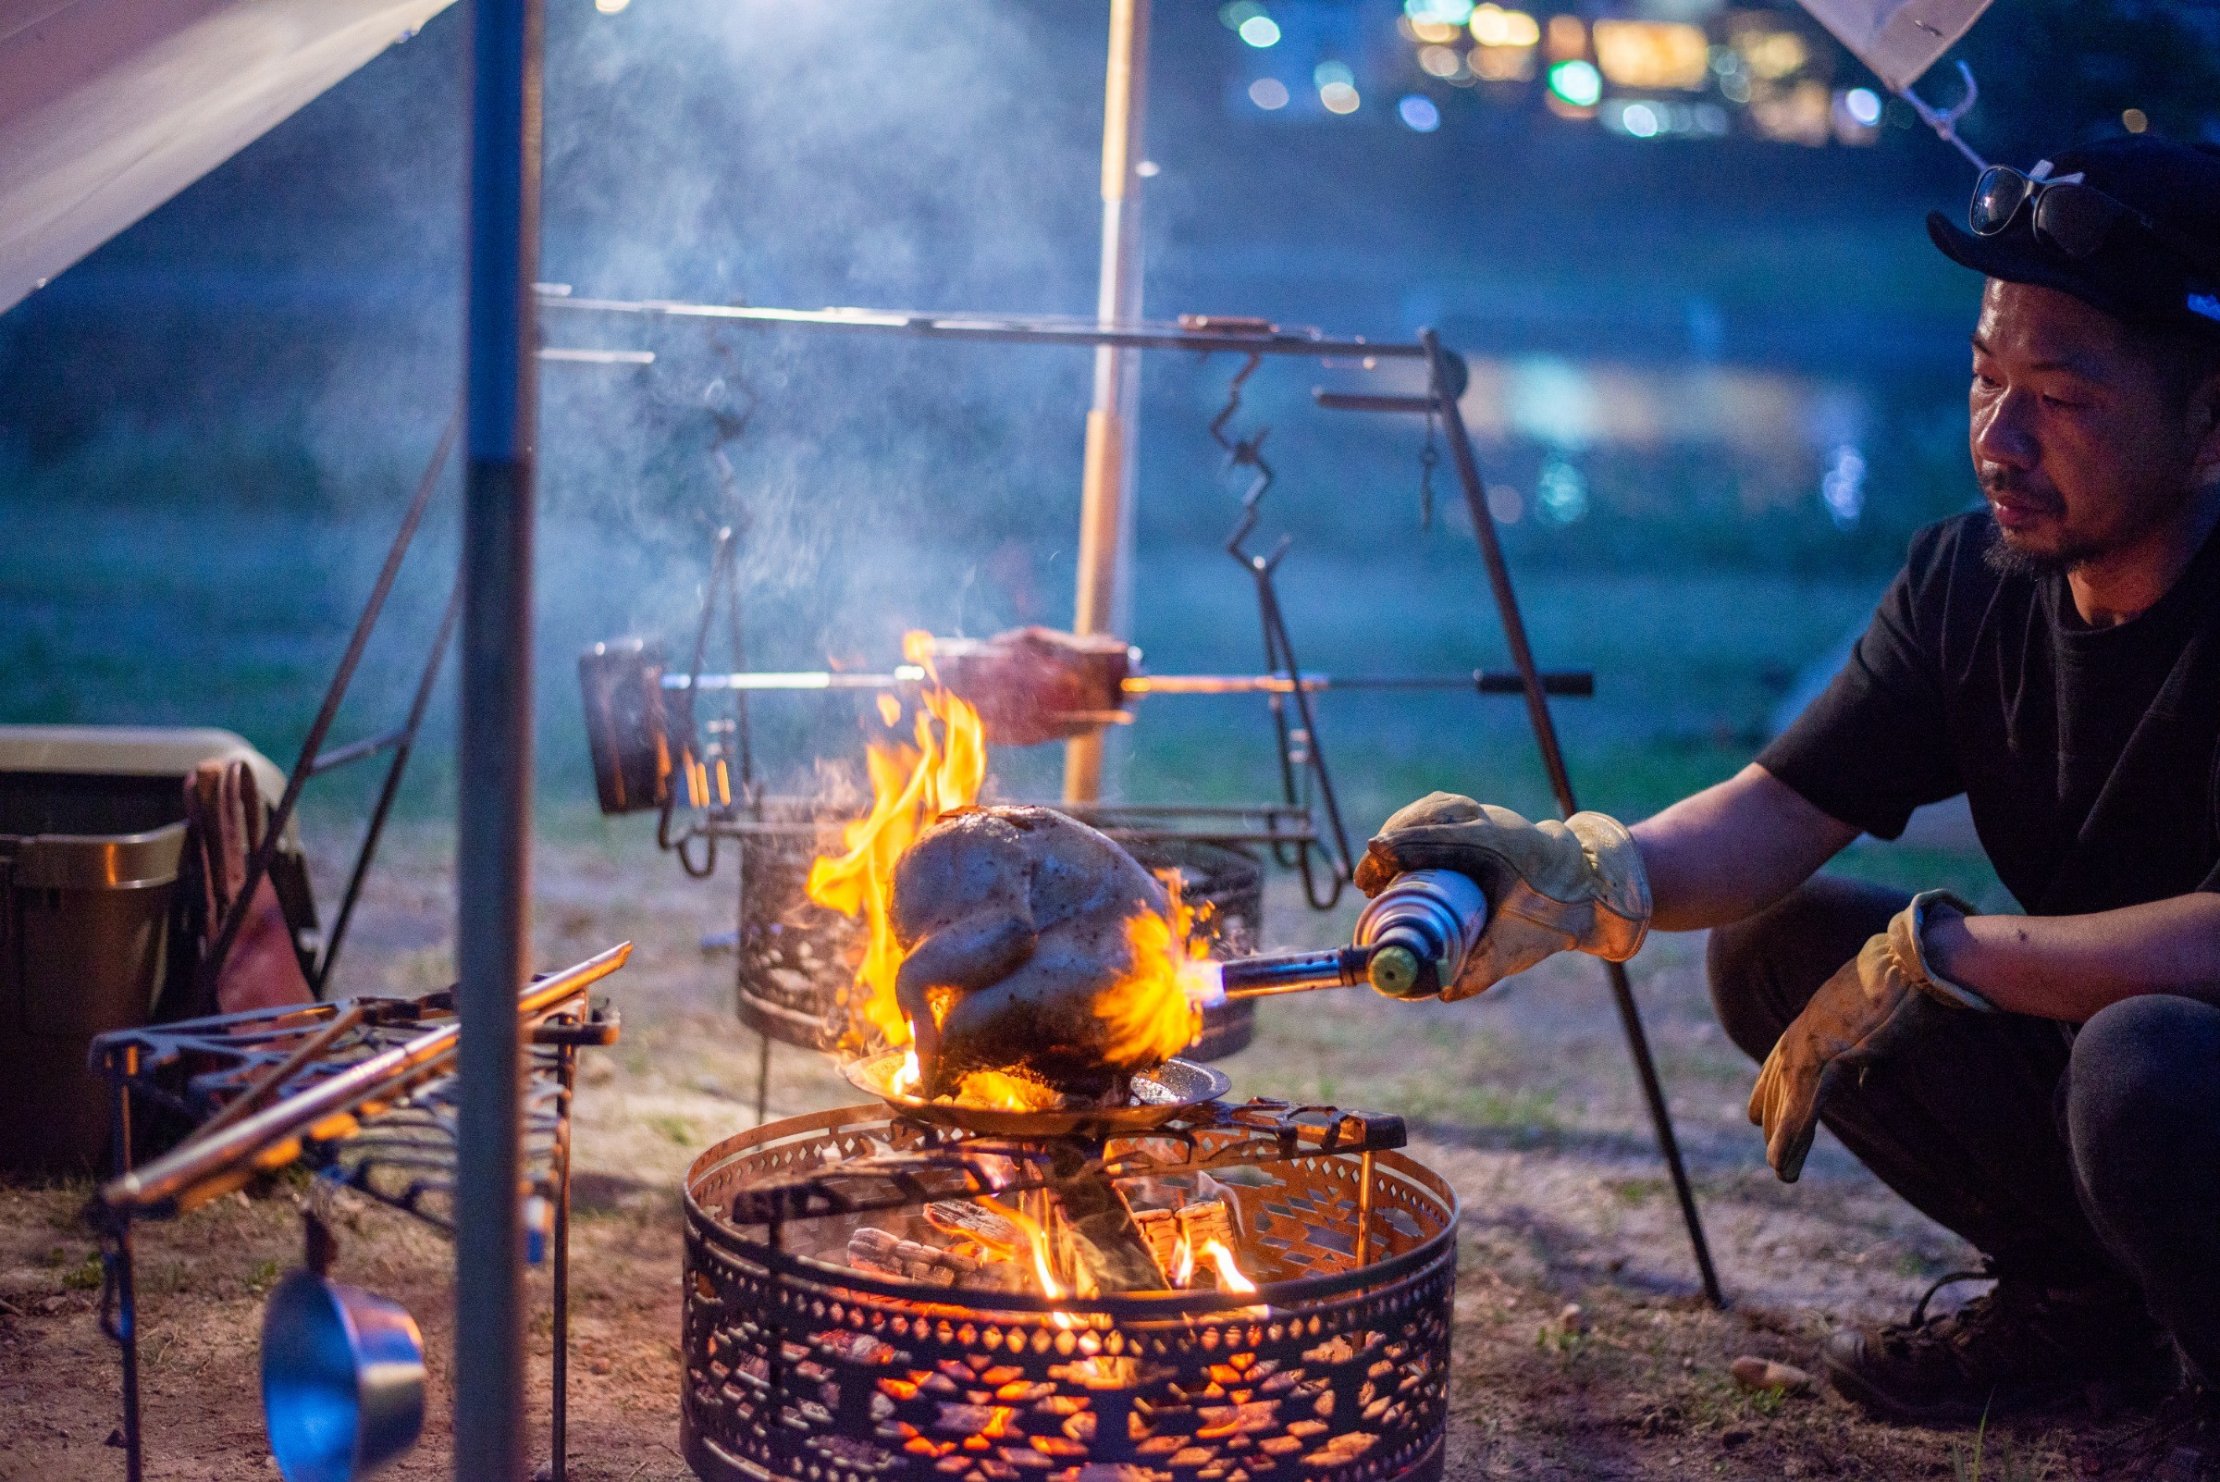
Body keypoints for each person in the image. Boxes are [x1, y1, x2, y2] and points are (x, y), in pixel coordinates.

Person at [1358, 134, 2220, 1428]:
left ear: (2210, 426)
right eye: (1987, 376)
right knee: (1776, 948)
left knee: (2142, 1059)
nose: (2000, 434)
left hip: (2179, 1072)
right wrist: (1575, 872)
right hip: (2115, 1067)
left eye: (2067, 399)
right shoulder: (1966, 586)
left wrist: (1951, 955)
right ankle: (2083, 1307)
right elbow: (1772, 817)